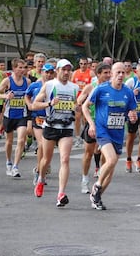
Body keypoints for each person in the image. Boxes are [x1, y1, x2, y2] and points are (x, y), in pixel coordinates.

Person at [82, 62, 137, 210]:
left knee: (110, 172)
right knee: (111, 160)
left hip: (118, 132)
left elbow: (132, 111)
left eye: (122, 73)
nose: (120, 75)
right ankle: (97, 185)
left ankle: (97, 197)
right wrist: (92, 124)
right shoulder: (101, 89)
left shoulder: (128, 92)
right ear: (111, 74)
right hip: (102, 130)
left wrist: (132, 116)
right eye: (117, 72)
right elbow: (84, 106)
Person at [32, 59, 79, 207]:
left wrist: (77, 108)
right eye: (63, 70)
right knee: (46, 159)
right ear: (57, 70)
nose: (66, 73)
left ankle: (61, 194)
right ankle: (40, 179)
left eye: (68, 70)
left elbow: (76, 105)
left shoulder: (74, 87)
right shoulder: (49, 85)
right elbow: (34, 105)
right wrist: (50, 103)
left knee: (64, 159)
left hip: (66, 127)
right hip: (51, 126)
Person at [77, 62, 111, 193]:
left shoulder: (112, 87)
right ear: (98, 74)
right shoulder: (91, 87)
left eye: (109, 73)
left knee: (105, 154)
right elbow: (80, 102)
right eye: (105, 73)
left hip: (106, 125)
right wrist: (82, 103)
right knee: (88, 153)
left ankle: (99, 181)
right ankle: (84, 180)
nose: (108, 76)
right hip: (93, 124)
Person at [0, 58, 31, 178]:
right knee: (9, 142)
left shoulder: (28, 82)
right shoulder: (7, 81)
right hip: (9, 115)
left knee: (21, 140)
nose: (22, 70)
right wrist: (5, 96)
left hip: (22, 115)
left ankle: (15, 166)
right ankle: (8, 162)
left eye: (24, 67)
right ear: (14, 68)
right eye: (20, 67)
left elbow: (30, 96)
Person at [25, 63, 56, 185]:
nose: (48, 75)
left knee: (48, 148)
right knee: (41, 145)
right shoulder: (35, 85)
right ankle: (39, 172)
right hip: (37, 118)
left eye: (50, 73)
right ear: (42, 72)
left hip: (51, 119)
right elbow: (27, 96)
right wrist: (29, 105)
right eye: (46, 72)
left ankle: (41, 168)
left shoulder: (56, 86)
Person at [71, 57, 92, 147]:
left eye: (85, 64)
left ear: (87, 64)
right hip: (77, 98)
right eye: (81, 64)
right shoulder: (75, 73)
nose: (83, 65)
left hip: (86, 99)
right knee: (77, 117)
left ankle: (85, 134)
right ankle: (77, 137)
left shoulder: (91, 73)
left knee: (85, 118)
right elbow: (71, 85)